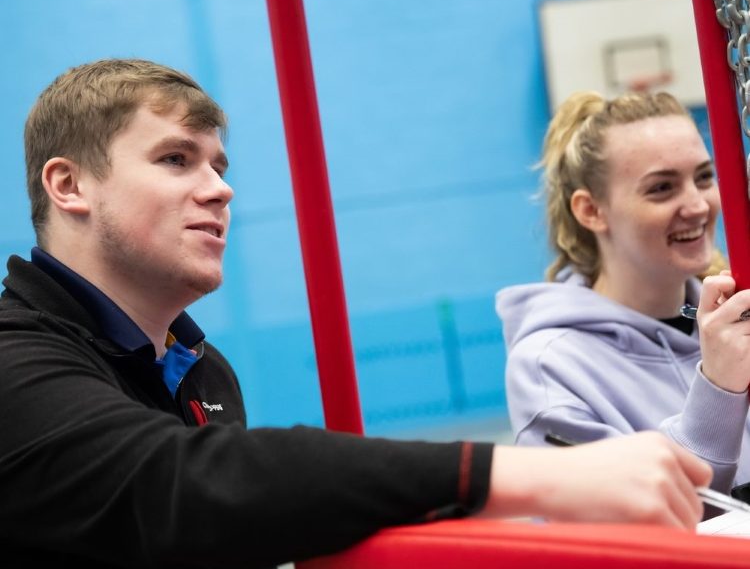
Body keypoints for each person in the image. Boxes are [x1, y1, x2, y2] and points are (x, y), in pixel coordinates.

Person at [0, 60, 712, 569]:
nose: (220, 190)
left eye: (219, 165)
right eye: (177, 160)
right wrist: (540, 479)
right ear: (69, 186)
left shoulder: (201, 369)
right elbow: (177, 483)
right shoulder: (15, 362)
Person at [496, 90, 750, 496]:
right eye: (662, 188)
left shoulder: (734, 318)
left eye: (703, 177)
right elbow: (622, 528)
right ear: (591, 211)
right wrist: (719, 390)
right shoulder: (551, 367)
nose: (697, 205)